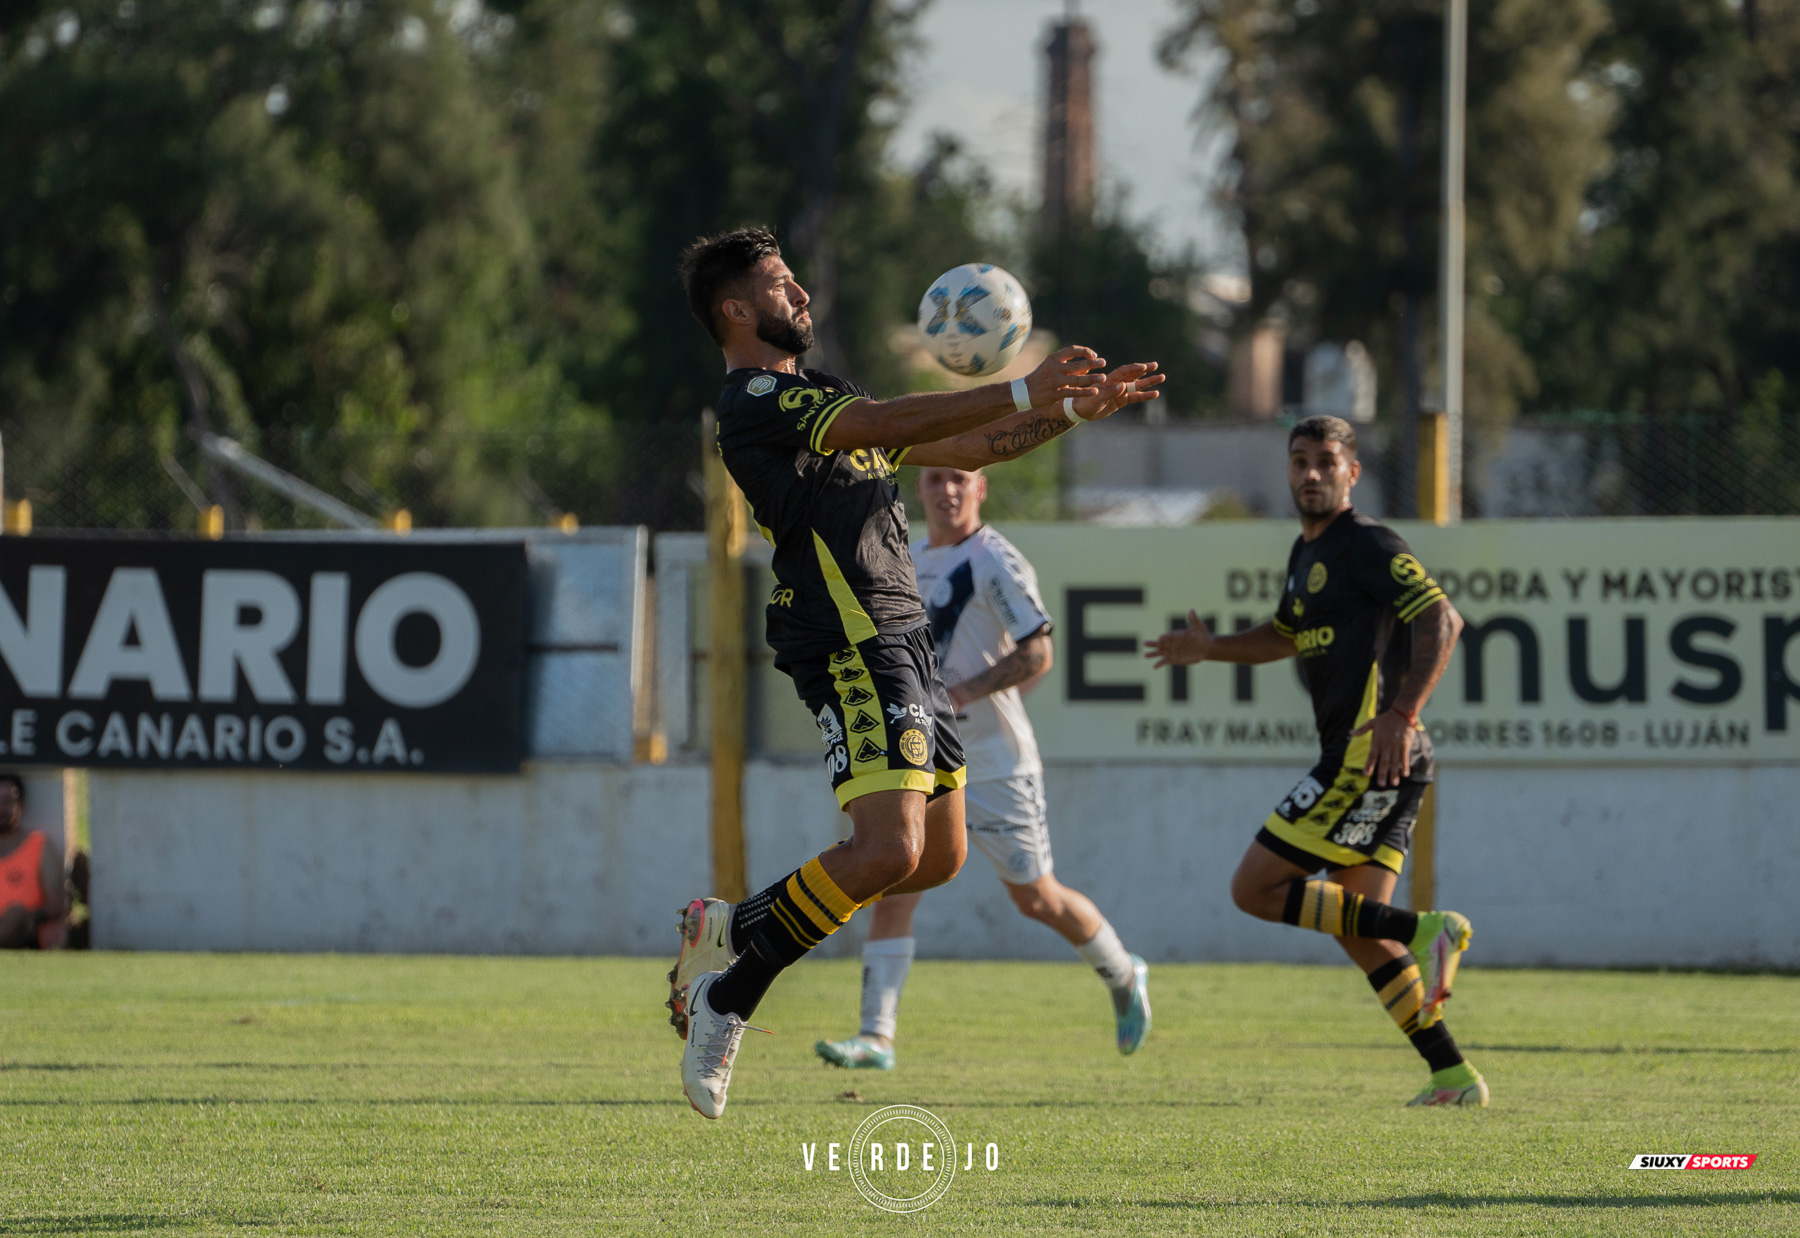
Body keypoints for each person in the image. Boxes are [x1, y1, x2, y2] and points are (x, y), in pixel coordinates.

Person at [668, 226, 1163, 1118]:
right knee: (888, 848)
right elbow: (893, 422)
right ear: (737, 310)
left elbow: (973, 448)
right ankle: (726, 999)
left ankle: (730, 927)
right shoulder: (752, 402)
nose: (802, 298)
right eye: (782, 285)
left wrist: (1071, 412)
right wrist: (1018, 383)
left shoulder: (822, 392)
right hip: (850, 638)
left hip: (906, 643)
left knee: (934, 861)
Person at [1144, 415, 1486, 1108]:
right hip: (1381, 757)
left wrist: (1400, 715)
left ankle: (1429, 928)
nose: (1310, 473)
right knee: (1358, 929)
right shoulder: (1307, 557)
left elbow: (1442, 618)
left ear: (1351, 473)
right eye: (1299, 460)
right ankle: (1452, 1075)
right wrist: (1212, 650)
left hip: (1372, 750)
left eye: (1326, 461)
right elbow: (1285, 634)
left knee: (1253, 888)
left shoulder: (1367, 545)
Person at [814, 464, 1150, 1071]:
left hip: (995, 762)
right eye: (936, 478)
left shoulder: (995, 559)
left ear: (981, 488)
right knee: (894, 879)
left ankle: (1124, 973)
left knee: (1037, 899)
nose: (947, 490)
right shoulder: (909, 556)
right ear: (917, 488)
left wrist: (963, 693)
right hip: (923, 753)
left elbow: (1038, 651)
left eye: (960, 479)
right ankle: (876, 1037)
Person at [0, 775, 69, 950]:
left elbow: (57, 903)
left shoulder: (38, 845)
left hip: (26, 933)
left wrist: (28, 917)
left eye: (8, 800)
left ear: (21, 805)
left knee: (16, 912)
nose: (2, 807)